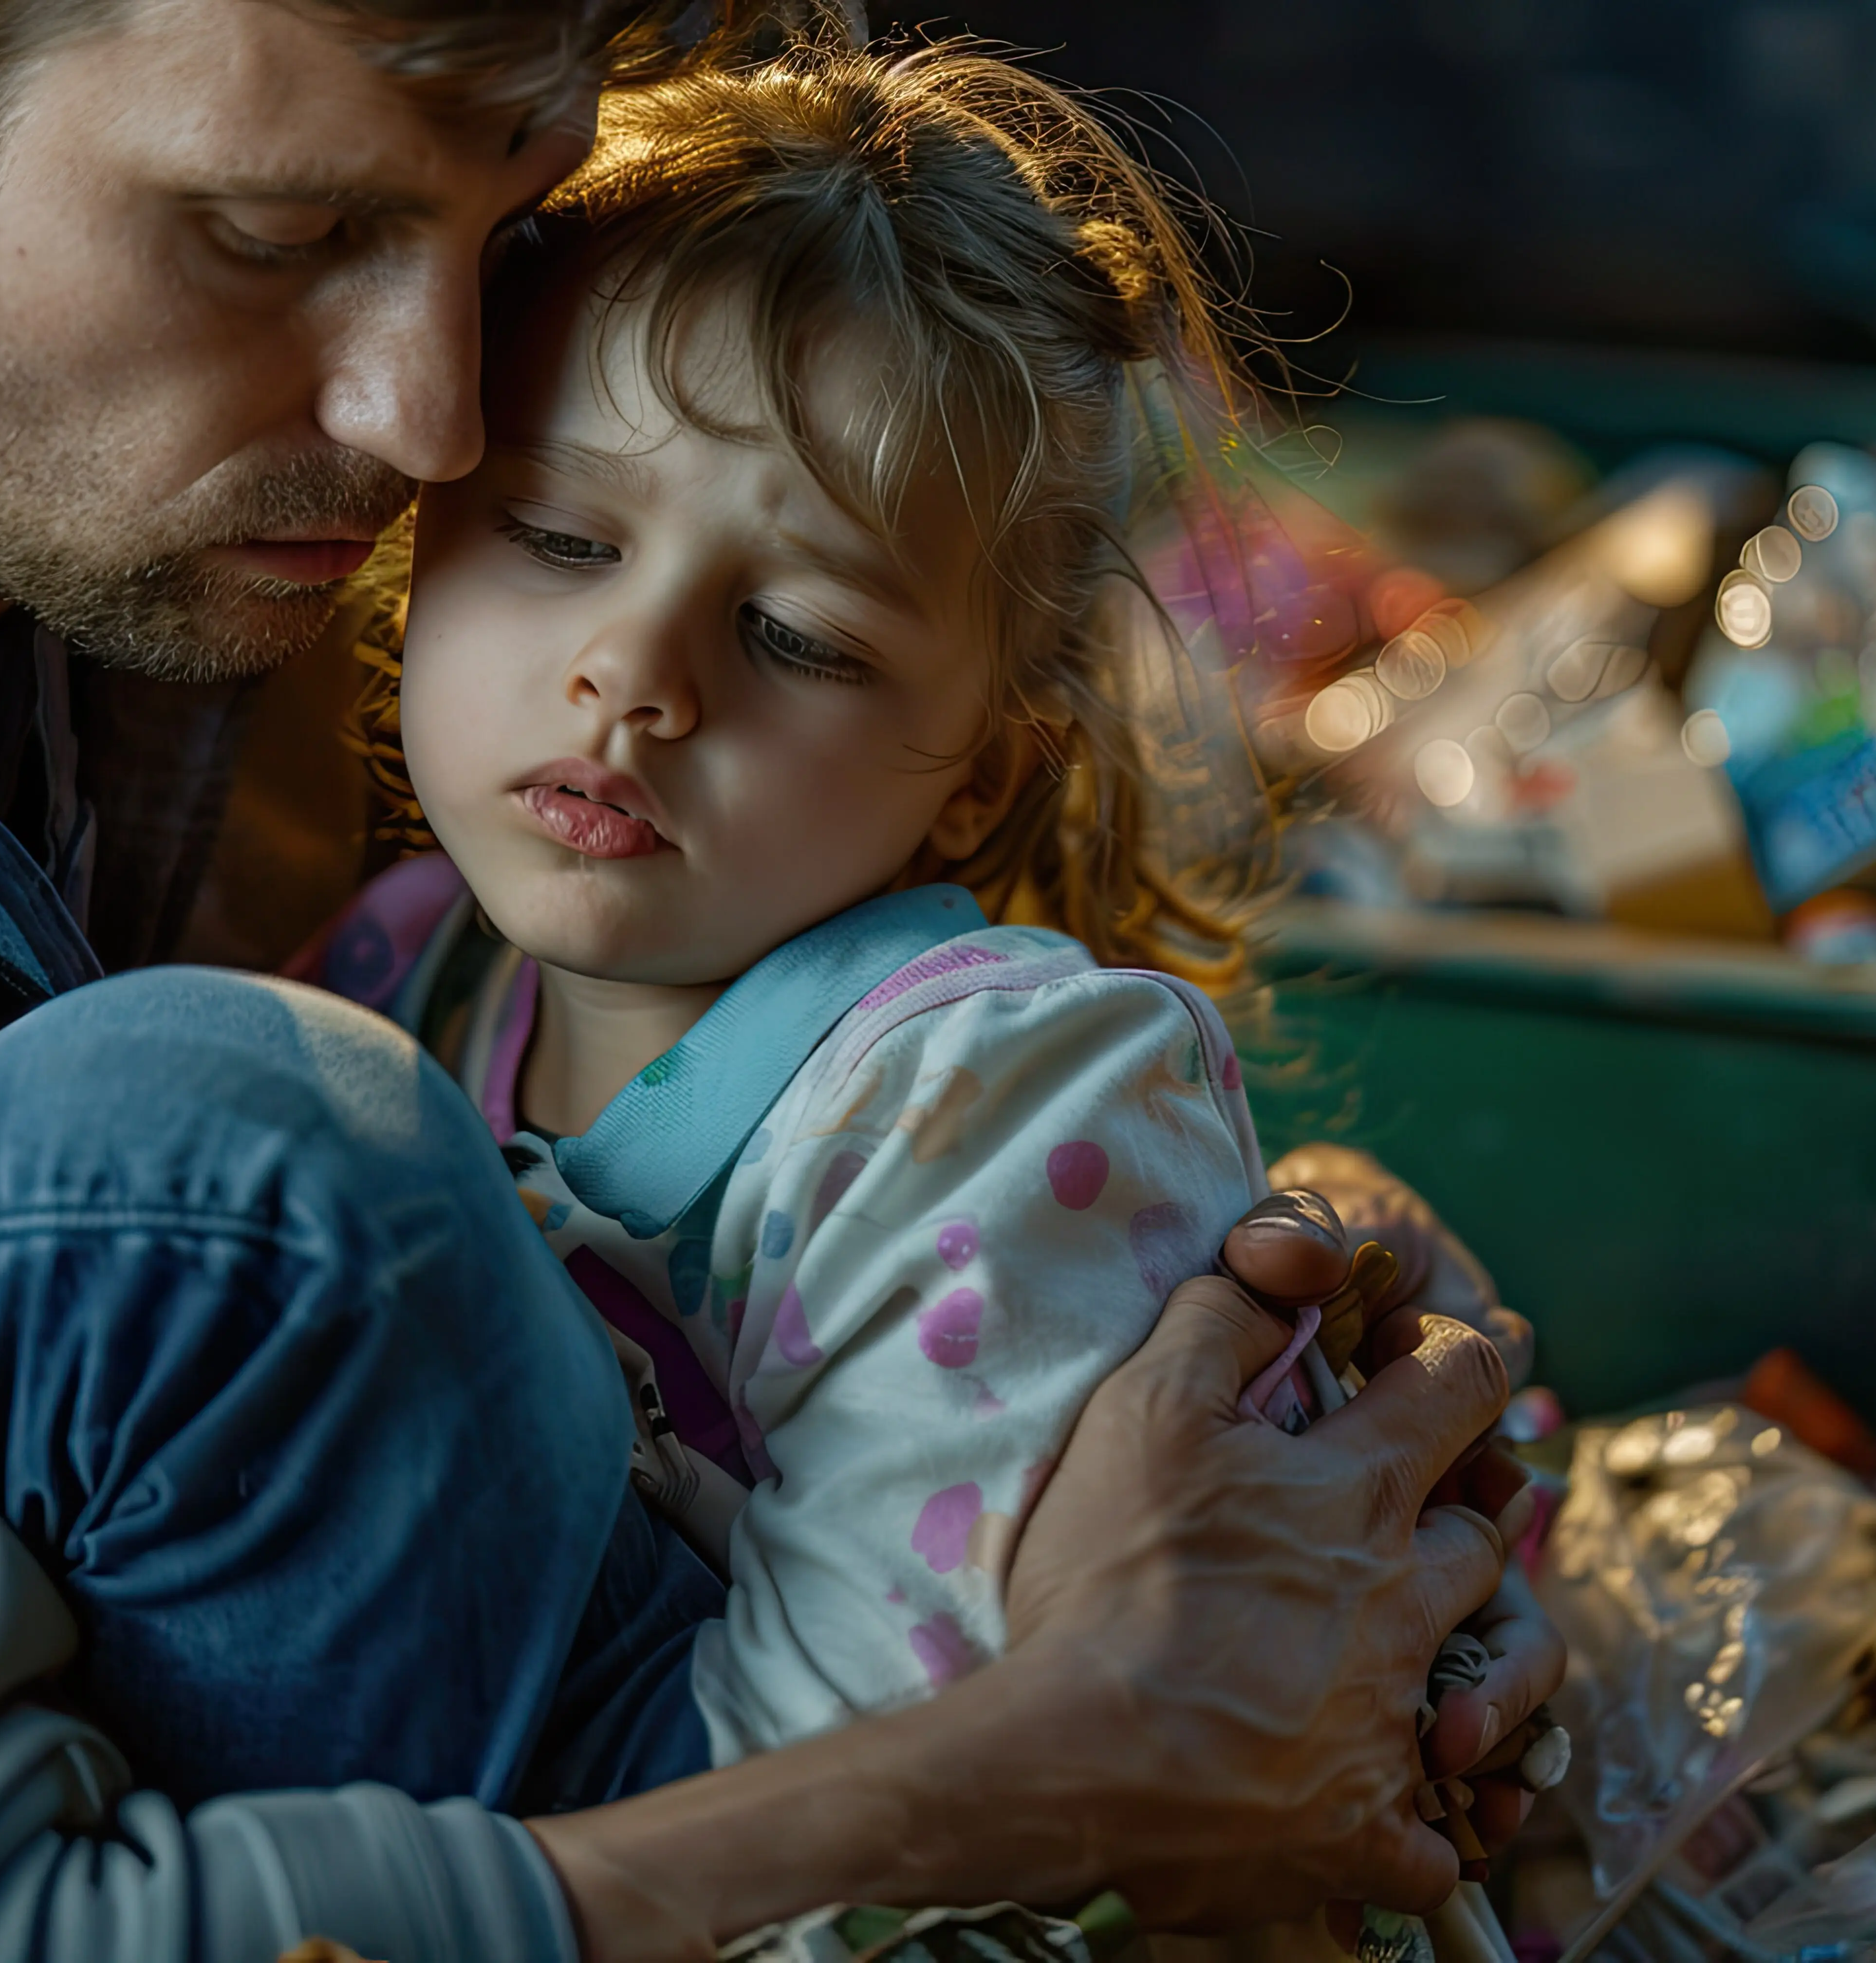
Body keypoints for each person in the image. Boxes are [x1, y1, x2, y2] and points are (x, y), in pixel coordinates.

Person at [0, 2, 1559, 1959]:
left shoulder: (253, 606)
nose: (423, 423)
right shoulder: (405, 953)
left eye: (495, 240)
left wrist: (1278, 1307)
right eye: (273, 228)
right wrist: (1082, 1750)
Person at [291, 31, 1361, 1773]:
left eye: (799, 638)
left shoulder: (992, 1104)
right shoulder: (399, 976)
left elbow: (895, 1768)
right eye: (560, 539)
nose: (631, 678)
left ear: (986, 772)